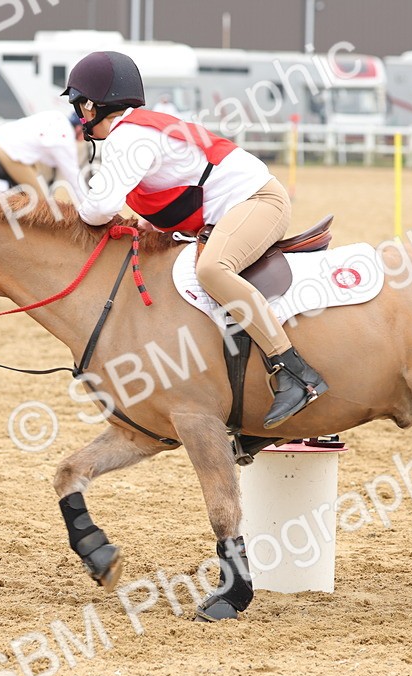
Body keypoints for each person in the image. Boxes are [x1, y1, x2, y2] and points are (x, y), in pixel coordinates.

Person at [63, 51, 328, 429]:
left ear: (92, 103)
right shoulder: (138, 130)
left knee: (213, 270)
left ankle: (294, 371)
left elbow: (97, 210)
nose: (81, 117)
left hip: (258, 202)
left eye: (80, 108)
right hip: (232, 210)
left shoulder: (128, 137)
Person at [0, 110, 86, 203]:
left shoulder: (57, 116)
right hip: (8, 152)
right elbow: (73, 176)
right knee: (41, 201)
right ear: (78, 128)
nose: (86, 137)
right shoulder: (65, 138)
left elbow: (48, 160)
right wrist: (88, 204)